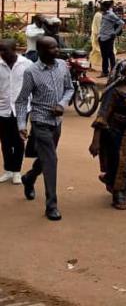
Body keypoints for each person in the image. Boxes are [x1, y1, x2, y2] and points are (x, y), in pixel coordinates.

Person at [16, 37, 73, 221]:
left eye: (57, 46)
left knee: (44, 158)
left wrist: (62, 104)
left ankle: (29, 178)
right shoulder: (31, 72)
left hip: (57, 122)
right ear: (40, 51)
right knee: (51, 160)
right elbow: (22, 100)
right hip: (40, 121)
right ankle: (52, 206)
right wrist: (22, 125)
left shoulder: (63, 66)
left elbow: (70, 89)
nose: (57, 50)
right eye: (51, 48)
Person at [89, 59, 126, 210]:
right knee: (119, 163)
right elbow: (102, 116)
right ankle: (118, 194)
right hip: (118, 134)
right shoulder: (113, 92)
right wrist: (96, 141)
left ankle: (123, 186)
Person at [0, 39, 32, 185]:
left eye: (4, 50)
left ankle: (17, 171)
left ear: (14, 50)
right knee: (5, 141)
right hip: (3, 109)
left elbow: (33, 84)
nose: (2, 54)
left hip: (21, 109)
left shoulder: (26, 64)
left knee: (19, 141)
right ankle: (8, 170)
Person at [98, 0, 124, 77]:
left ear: (106, 7)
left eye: (102, 6)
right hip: (102, 37)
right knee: (104, 56)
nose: (101, 7)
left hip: (109, 37)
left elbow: (121, 23)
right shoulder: (104, 14)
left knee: (110, 55)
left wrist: (115, 33)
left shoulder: (111, 15)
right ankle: (105, 71)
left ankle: (113, 71)